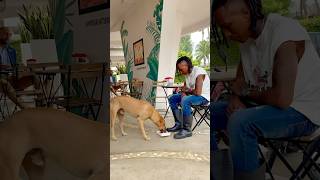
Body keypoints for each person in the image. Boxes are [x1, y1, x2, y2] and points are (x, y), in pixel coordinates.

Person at [211, 0, 320, 179]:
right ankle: (218, 171)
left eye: (228, 26)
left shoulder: (284, 33)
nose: (226, 34)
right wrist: (235, 98)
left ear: (246, 13)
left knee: (241, 122)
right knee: (211, 111)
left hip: (304, 112)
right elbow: (239, 83)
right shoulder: (246, 39)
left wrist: (244, 92)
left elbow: (282, 99)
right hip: (271, 108)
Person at [167, 56, 210, 139]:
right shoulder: (187, 74)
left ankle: (187, 130)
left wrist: (187, 92)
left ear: (186, 65)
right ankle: (179, 124)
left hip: (203, 97)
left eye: (181, 69)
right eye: (179, 70)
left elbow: (198, 92)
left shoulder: (199, 72)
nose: (180, 72)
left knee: (186, 100)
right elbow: (184, 89)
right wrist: (184, 93)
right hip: (193, 96)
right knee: (172, 98)